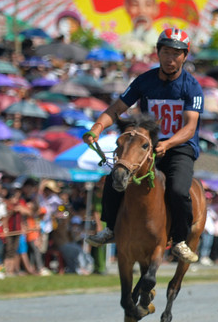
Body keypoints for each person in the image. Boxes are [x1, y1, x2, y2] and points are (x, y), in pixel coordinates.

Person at [84, 28, 204, 264]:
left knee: (179, 190)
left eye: (176, 54)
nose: (170, 59)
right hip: (147, 146)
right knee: (116, 174)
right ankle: (110, 229)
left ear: (185, 56)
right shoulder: (143, 81)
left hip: (179, 147)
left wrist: (168, 143)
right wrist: (97, 128)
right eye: (166, 52)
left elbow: (190, 128)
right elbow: (117, 109)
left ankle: (179, 240)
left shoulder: (192, 87)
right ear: (157, 53)